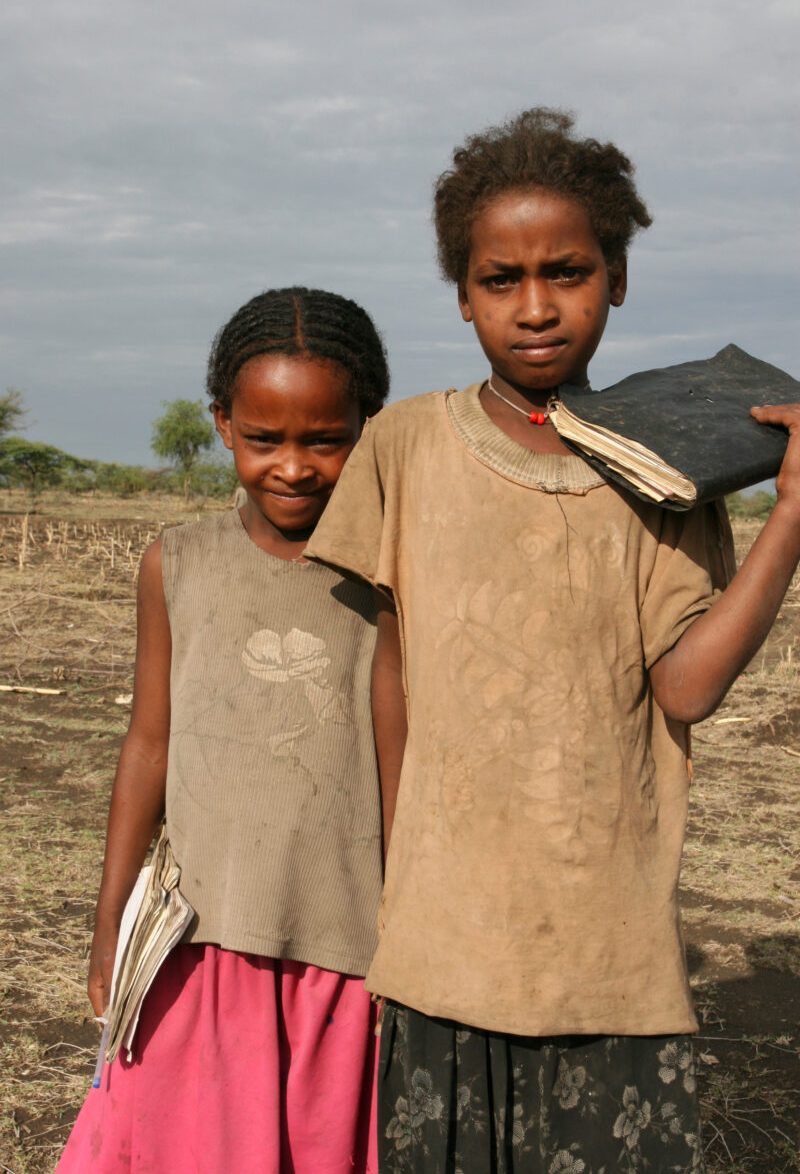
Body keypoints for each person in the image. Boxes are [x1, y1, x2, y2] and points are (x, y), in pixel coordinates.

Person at [304, 110, 800, 1174]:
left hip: (604, 940)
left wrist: (790, 517)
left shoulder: (666, 468)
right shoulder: (404, 448)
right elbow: (393, 671)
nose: (534, 308)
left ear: (615, 278)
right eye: (500, 279)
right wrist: (397, 875)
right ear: (462, 292)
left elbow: (683, 688)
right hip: (443, 928)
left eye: (567, 272)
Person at [57, 287, 391, 1174]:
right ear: (221, 426)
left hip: (345, 942)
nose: (294, 466)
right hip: (197, 938)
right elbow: (149, 746)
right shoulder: (180, 561)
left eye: (326, 439)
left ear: (370, 425)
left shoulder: (392, 575)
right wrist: (109, 921)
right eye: (264, 439)